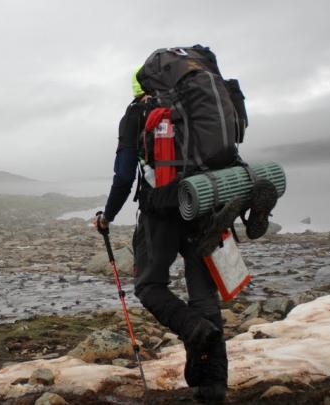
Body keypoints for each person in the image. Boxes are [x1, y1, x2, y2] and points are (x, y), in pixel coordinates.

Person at [94, 67, 228, 402]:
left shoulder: (136, 115)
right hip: (207, 204)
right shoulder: (196, 108)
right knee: (203, 296)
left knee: (149, 285)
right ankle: (212, 388)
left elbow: (124, 176)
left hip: (162, 211)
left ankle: (194, 329)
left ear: (137, 88)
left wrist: (107, 215)